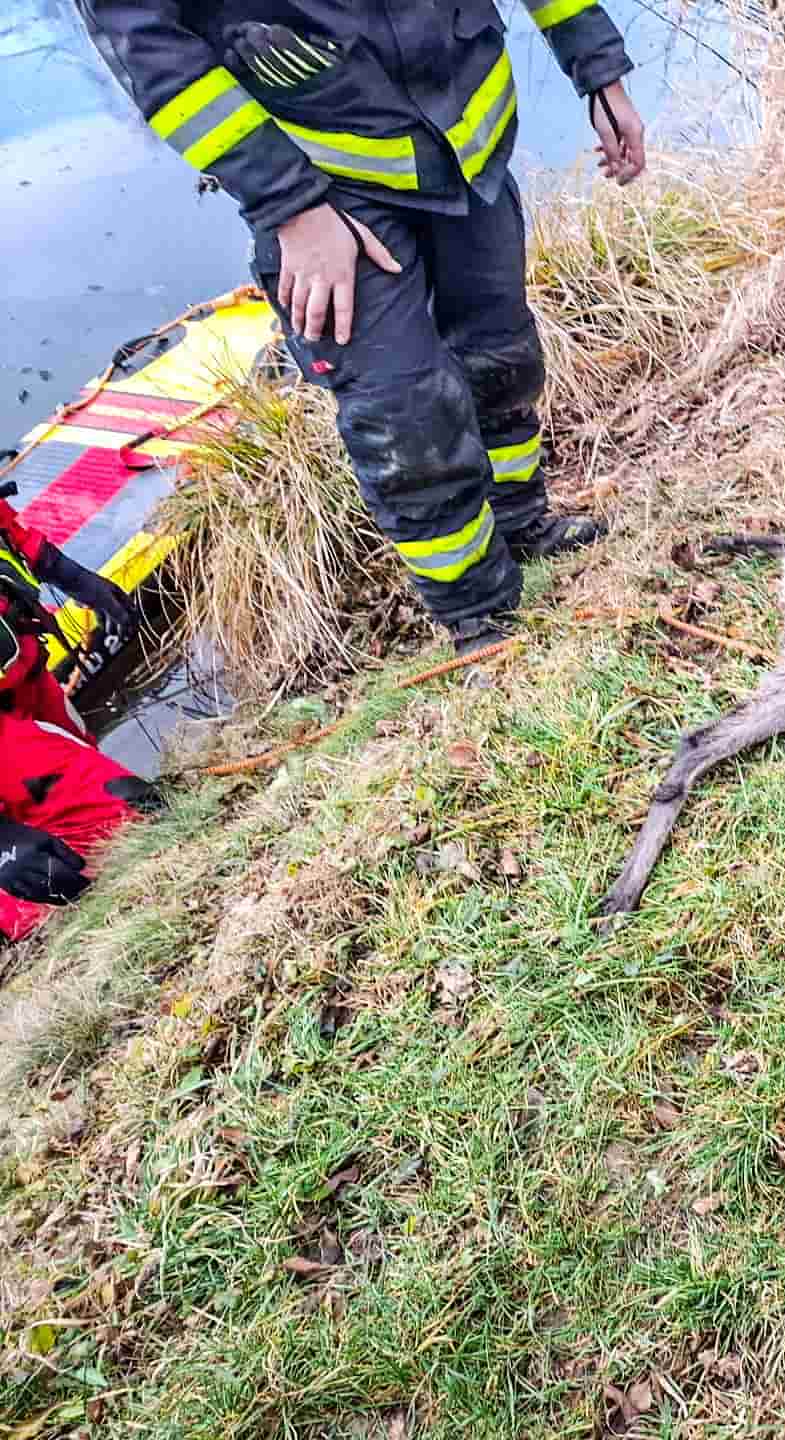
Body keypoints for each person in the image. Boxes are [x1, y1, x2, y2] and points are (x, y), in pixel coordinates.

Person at [78, 2, 650, 654]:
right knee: (404, 416)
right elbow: (147, 43)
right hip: (325, 183)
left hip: (470, 134)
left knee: (502, 357)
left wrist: (598, 70)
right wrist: (291, 204)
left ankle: (521, 524)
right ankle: (479, 615)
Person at [0, 491, 160, 943]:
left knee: (110, 783)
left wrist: (73, 577)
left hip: (25, 675)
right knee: (130, 814)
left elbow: (10, 533)